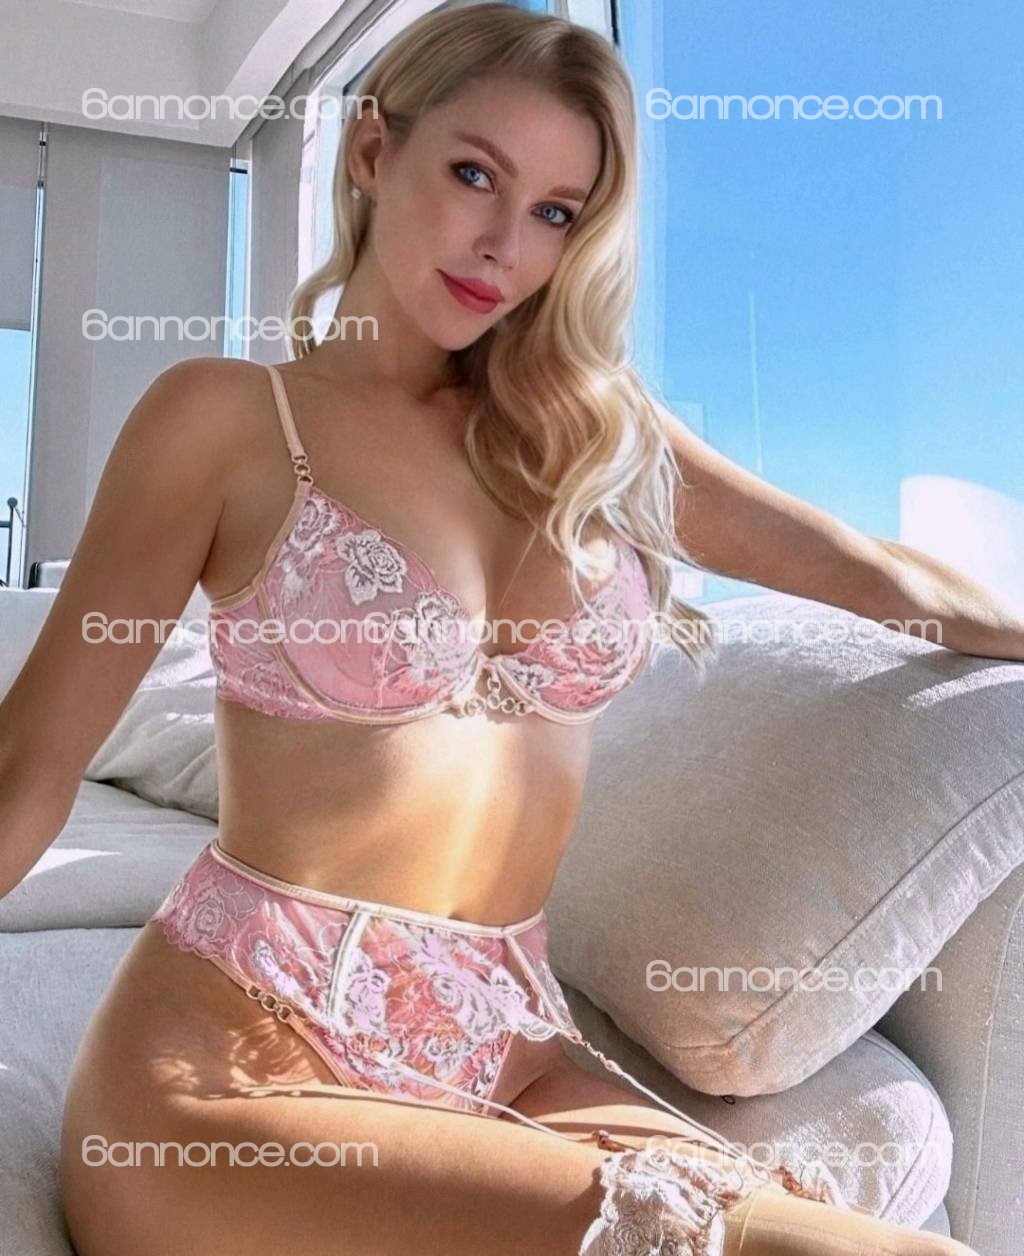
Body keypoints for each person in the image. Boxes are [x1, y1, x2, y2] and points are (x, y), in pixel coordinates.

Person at [0, 5, 996, 1252]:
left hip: (509, 1044)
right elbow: (26, 768)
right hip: (235, 1060)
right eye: (474, 174)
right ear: (373, 151)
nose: (503, 244)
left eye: (555, 211)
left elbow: (861, 567)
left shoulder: (595, 435)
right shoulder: (227, 419)